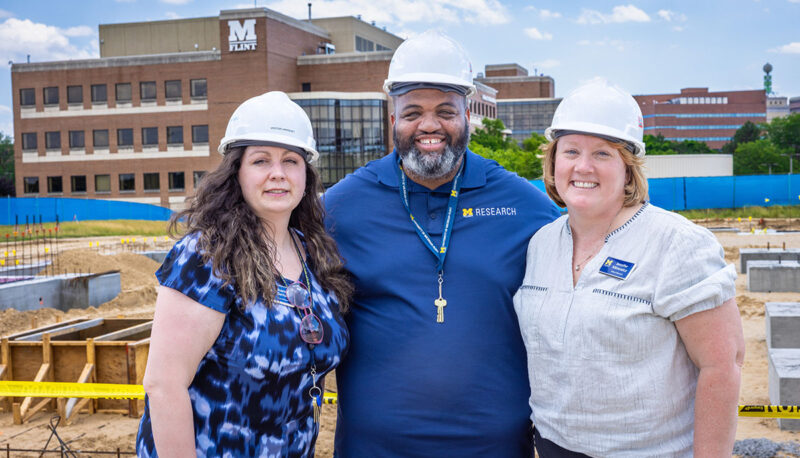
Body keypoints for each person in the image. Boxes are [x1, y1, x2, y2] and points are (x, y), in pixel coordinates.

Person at [324, 30, 560, 457]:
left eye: (445, 111)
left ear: (467, 116)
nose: (429, 125)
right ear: (393, 119)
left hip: (496, 449)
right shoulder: (341, 208)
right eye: (413, 111)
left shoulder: (525, 207)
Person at [513, 79, 745, 457]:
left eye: (602, 154)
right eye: (570, 151)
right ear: (553, 161)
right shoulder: (541, 245)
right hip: (555, 447)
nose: (582, 166)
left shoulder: (675, 243)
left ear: (629, 168)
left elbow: (722, 365)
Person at [136, 91, 351, 457]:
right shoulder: (207, 257)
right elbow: (163, 384)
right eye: (261, 161)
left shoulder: (312, 253)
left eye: (291, 161)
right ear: (236, 171)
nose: (277, 174)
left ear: (306, 174)